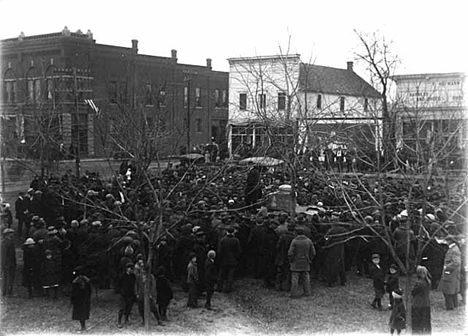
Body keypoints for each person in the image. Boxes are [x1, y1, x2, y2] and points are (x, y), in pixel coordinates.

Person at [288, 226, 315, 298]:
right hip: (306, 260)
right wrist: (310, 259)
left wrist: (291, 260)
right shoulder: (308, 241)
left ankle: (293, 293)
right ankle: (307, 292)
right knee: (306, 276)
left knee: (295, 278)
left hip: (296, 261)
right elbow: (313, 252)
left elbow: (290, 253)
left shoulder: (294, 241)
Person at [438, 235, 461, 310]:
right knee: (452, 291)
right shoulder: (454, 248)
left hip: (451, 273)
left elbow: (456, 262)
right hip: (452, 273)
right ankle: (454, 305)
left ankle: (450, 307)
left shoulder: (454, 250)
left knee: (448, 291)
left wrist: (447, 267)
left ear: (449, 241)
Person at [217, 227, 241, 293]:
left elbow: (219, 251)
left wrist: (220, 258)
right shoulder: (236, 240)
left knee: (221, 274)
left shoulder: (223, 240)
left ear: (227, 232)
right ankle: (228, 289)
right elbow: (238, 251)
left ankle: (219, 288)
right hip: (233, 260)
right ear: (233, 232)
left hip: (224, 260)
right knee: (230, 275)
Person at [70, 266, 92, 332]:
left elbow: (73, 292)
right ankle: (83, 326)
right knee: (84, 313)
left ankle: (83, 326)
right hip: (85, 299)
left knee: (80, 313)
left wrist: (72, 299)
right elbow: (90, 290)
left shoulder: (75, 282)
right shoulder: (87, 280)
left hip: (78, 300)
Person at [412, 265, 432, 334]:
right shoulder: (428, 281)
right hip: (426, 303)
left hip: (418, 304)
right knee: (425, 322)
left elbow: (413, 292)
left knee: (417, 322)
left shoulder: (419, 283)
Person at [116, 262, 136, 328]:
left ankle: (126, 319)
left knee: (129, 308)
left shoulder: (133, 276)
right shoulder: (122, 276)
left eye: (133, 269)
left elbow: (134, 286)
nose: (132, 270)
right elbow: (118, 285)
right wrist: (121, 291)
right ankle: (119, 321)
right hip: (123, 295)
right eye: (131, 268)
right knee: (121, 308)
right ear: (127, 269)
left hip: (130, 295)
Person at [1, 228, 16, 296]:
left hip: (7, 263)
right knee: (9, 278)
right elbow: (4, 254)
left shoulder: (4, 242)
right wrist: (5, 264)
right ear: (8, 234)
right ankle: (8, 292)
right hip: (9, 263)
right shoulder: (7, 242)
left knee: (6, 278)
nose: (12, 234)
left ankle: (5, 291)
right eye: (11, 233)